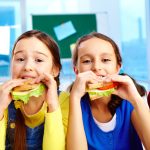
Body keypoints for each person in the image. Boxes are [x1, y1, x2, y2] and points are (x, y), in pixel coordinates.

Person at [67, 32, 150, 150]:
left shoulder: (130, 103)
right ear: (77, 71)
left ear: (118, 67)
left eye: (105, 60)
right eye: (86, 61)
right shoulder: (72, 106)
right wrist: (74, 99)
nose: (96, 67)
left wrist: (136, 99)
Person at [0, 30, 69, 150]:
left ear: (55, 70)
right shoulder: (2, 99)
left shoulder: (65, 101)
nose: (27, 67)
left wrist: (53, 106)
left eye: (39, 60)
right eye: (20, 59)